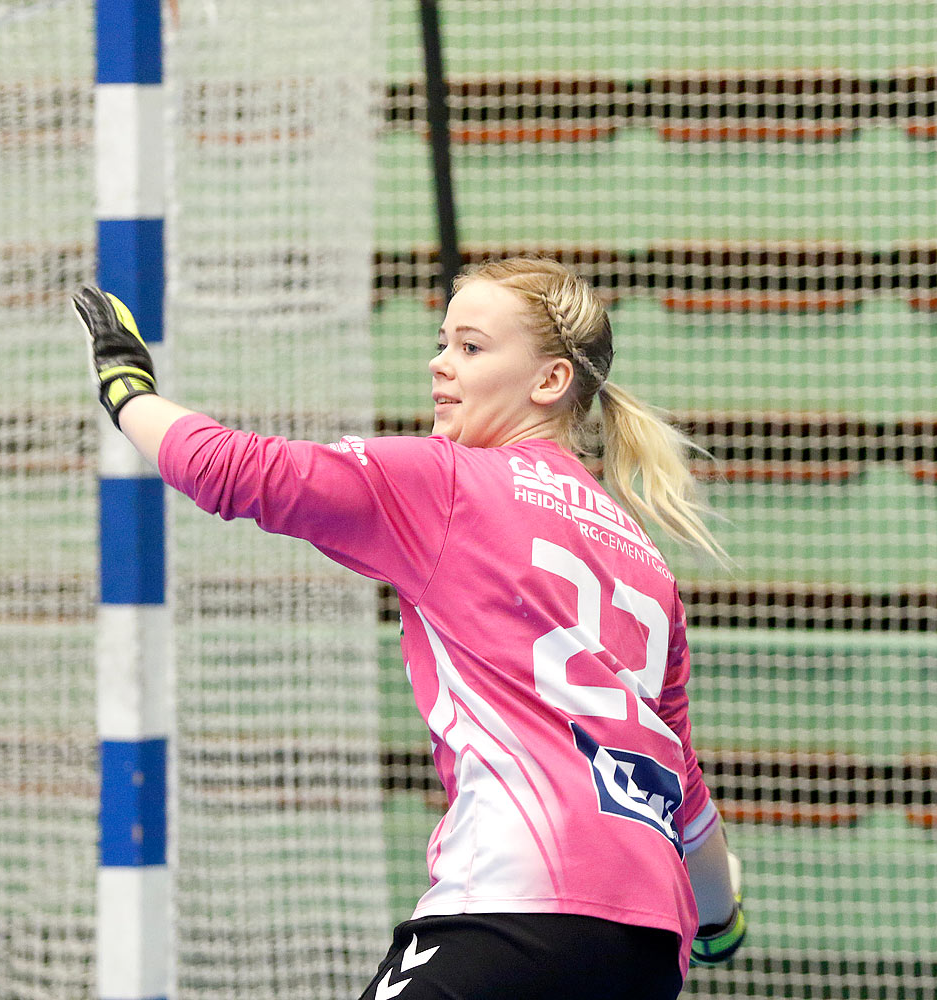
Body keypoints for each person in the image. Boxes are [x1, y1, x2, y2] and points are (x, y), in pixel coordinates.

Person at [74, 255, 747, 999]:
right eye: (442, 340)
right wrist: (722, 919)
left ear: (550, 381)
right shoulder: (644, 557)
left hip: (512, 908)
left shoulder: (452, 483)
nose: (438, 363)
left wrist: (126, 389)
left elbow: (239, 471)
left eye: (470, 346)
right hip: (649, 947)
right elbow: (681, 785)